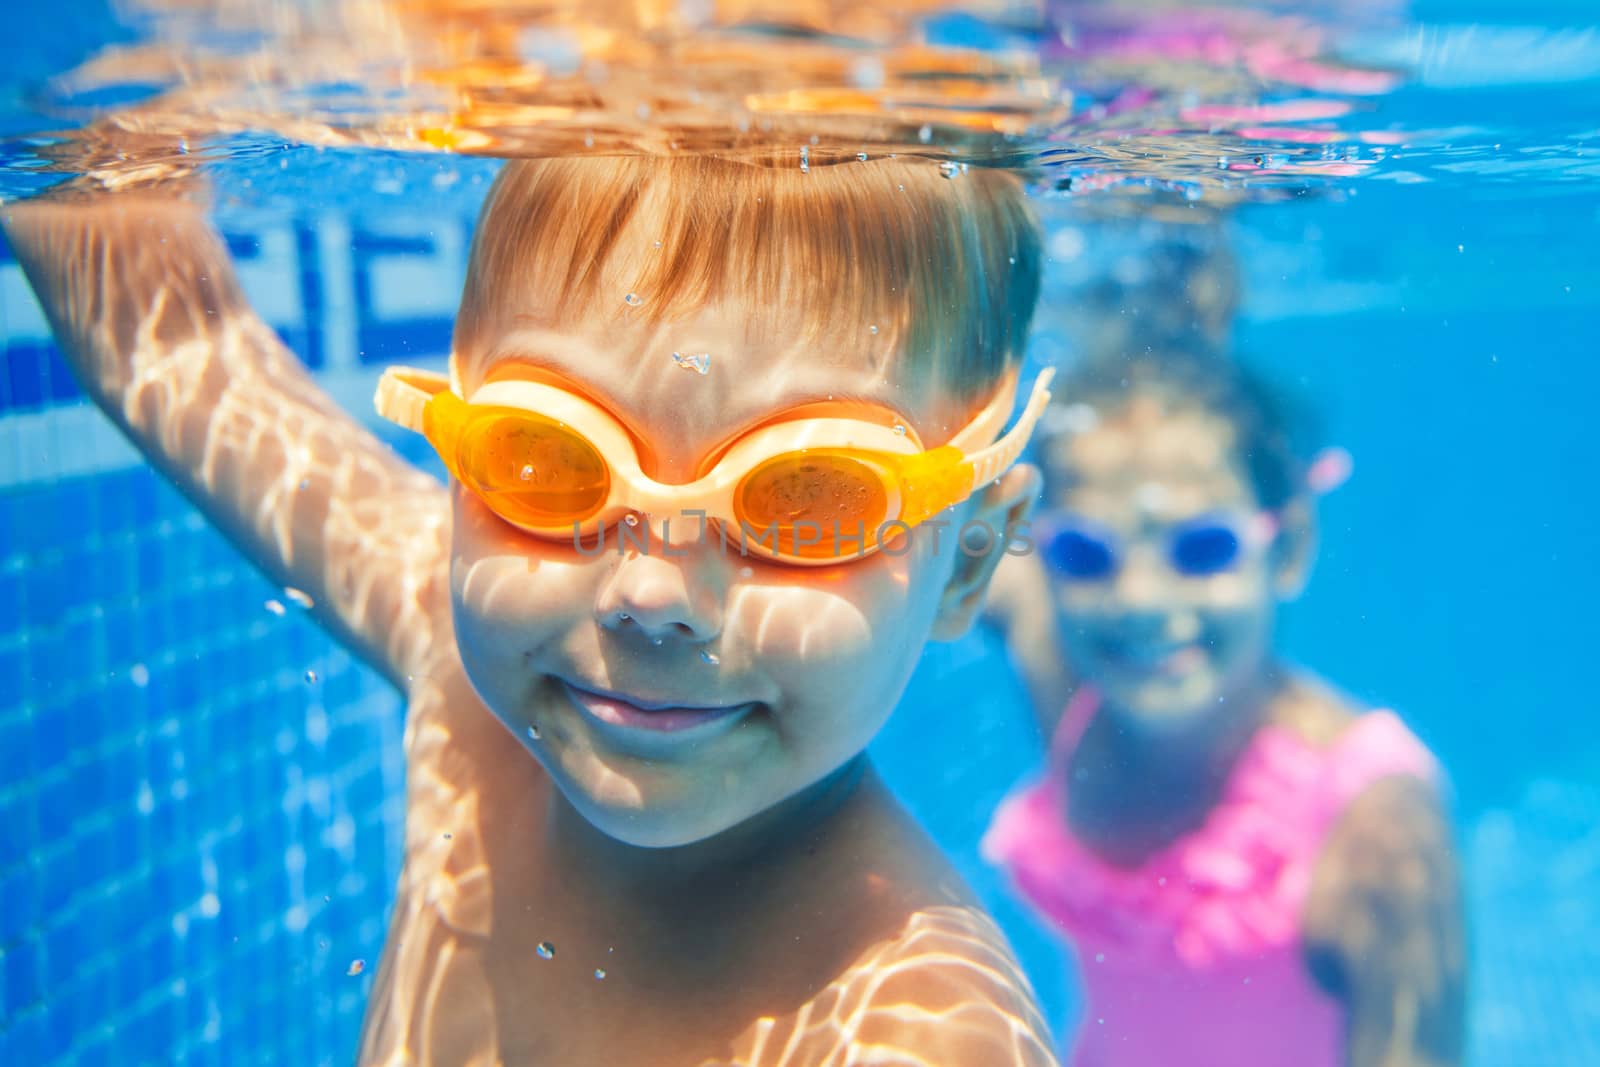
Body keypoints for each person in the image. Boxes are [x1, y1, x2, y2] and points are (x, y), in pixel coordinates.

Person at [5, 150, 1062, 1066]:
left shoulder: (920, 1028)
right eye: (548, 459)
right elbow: (176, 349)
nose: (650, 595)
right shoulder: (461, 662)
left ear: (969, 556)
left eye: (807, 496)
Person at [982, 346, 1466, 1067]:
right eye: (1086, 553)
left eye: (1202, 548)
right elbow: (959, 558)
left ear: (1291, 546)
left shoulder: (1373, 824)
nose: (1141, 601)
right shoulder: (1069, 683)